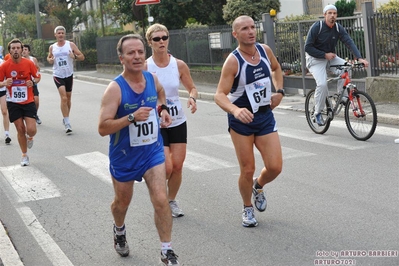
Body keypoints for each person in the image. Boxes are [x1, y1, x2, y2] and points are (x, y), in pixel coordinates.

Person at [98, 34, 180, 265]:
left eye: (140, 52)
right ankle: (119, 229)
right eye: (131, 53)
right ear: (121, 58)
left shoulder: (151, 79)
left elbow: (161, 93)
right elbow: (102, 128)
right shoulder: (114, 89)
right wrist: (131, 118)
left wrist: (162, 109)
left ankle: (166, 250)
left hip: (151, 152)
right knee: (122, 203)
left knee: (161, 199)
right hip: (124, 155)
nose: (136, 56)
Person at [214, 15, 284, 227]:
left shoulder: (264, 51)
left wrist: (279, 92)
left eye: (253, 27)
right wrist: (235, 111)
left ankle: (258, 186)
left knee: (275, 167)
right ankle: (247, 208)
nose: (251, 31)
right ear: (235, 34)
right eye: (244, 28)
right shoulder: (233, 61)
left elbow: (277, 69)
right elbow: (219, 94)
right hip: (242, 121)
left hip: (264, 116)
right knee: (247, 168)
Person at [145, 23, 198, 218]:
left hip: (177, 120)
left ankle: (170, 200)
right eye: (157, 39)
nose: (161, 42)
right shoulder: (146, 67)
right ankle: (158, 196)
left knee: (177, 165)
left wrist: (192, 98)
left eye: (164, 38)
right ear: (149, 42)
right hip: (156, 123)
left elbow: (192, 88)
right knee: (166, 166)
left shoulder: (179, 64)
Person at [304, 4, 369, 126]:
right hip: (315, 59)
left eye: (334, 13)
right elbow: (307, 47)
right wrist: (324, 55)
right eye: (330, 13)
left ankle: (343, 96)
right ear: (325, 15)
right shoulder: (317, 27)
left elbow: (349, 42)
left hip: (331, 57)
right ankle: (317, 113)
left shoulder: (338, 28)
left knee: (347, 67)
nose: (332, 15)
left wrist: (359, 58)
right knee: (322, 84)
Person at [0, 39, 41, 166]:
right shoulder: (4, 66)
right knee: (20, 129)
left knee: (31, 129)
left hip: (28, 101)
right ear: (9, 51)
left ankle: (31, 137)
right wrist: (4, 83)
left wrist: (33, 82)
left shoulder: (29, 63)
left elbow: (38, 77)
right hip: (13, 102)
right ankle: (24, 155)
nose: (16, 50)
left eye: (18, 48)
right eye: (13, 48)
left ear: (22, 50)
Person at [47, 26, 84, 134]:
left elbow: (82, 56)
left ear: (65, 34)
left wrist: (74, 57)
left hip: (68, 74)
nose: (61, 35)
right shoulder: (52, 47)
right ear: (55, 35)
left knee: (68, 98)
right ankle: (67, 123)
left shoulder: (70, 45)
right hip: (58, 74)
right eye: (58, 33)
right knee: (63, 98)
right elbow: (49, 57)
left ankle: (66, 117)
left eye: (62, 33)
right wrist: (50, 60)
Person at [22, 44, 42, 124]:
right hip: (23, 84)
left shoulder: (33, 59)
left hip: (32, 82)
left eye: (26, 49)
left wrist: (35, 72)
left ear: (29, 51)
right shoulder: (19, 60)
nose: (24, 51)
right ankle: (26, 115)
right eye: (22, 49)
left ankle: (34, 114)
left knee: (36, 101)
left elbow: (38, 68)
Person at [0, 57, 11, 144]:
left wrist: (5, 83)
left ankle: (7, 134)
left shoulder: (2, 63)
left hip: (2, 90)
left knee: (4, 111)